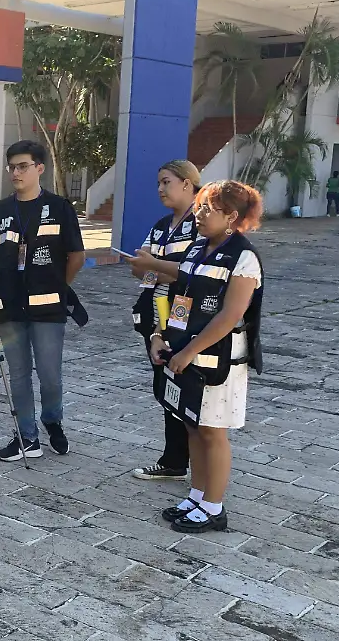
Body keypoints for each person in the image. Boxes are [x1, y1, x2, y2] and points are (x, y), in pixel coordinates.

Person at [131, 180, 265, 533]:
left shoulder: (243, 257)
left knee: (212, 431)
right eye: (201, 206)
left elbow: (229, 316)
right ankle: (197, 496)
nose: (199, 214)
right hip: (184, 352)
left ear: (232, 216)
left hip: (216, 359)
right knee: (192, 424)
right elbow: (179, 296)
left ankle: (214, 507)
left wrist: (190, 351)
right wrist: (160, 336)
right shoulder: (197, 249)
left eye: (208, 208)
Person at [0, 140, 86, 462]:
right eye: (12, 167)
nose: (16, 172)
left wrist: (57, 286)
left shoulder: (59, 208)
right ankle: (27, 437)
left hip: (48, 308)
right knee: (18, 374)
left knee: (50, 374)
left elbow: (76, 257)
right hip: (9, 308)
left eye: (23, 166)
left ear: (40, 168)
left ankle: (53, 422)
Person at [127, 160, 201, 481]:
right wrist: (159, 267)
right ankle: (173, 459)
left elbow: (192, 272)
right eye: (158, 183)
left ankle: (194, 465)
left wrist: (156, 265)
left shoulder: (202, 222)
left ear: (187, 183)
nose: (160, 189)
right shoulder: (161, 225)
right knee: (165, 387)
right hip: (156, 310)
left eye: (166, 182)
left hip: (184, 314)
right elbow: (139, 267)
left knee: (185, 388)